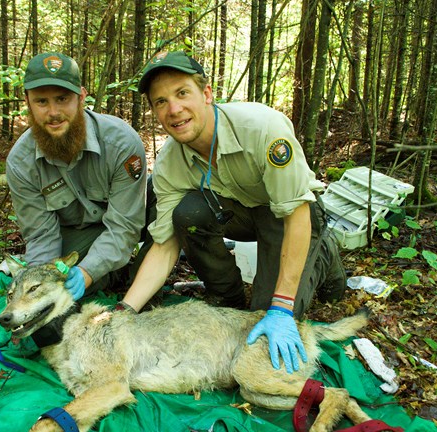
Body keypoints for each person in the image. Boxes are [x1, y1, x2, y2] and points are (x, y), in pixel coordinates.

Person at [119, 50, 346, 374]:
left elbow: (296, 214)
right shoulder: (170, 161)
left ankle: (323, 252)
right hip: (238, 214)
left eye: (183, 93)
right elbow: (166, 242)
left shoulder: (261, 129)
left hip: (288, 216)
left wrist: (280, 308)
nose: (174, 109)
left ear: (207, 94)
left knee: (266, 321)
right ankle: (228, 298)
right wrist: (126, 309)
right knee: (188, 215)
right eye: (160, 102)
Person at [6, 52, 152, 301]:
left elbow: (124, 225)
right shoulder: (21, 163)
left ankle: (140, 277)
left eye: (62, 99)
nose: (53, 112)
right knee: (49, 301)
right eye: (42, 102)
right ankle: (110, 274)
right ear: (28, 102)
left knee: (165, 210)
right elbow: (41, 235)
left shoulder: (120, 143)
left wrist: (86, 272)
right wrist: (42, 285)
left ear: (81, 96)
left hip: (128, 222)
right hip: (75, 236)